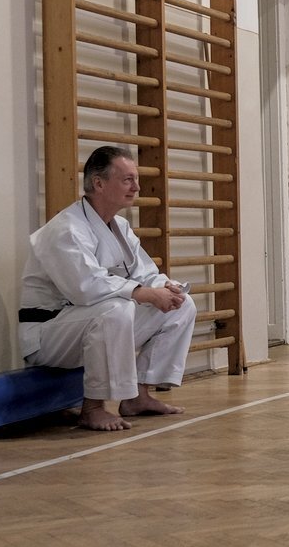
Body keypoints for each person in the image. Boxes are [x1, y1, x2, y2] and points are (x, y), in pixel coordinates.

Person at [19, 146, 197, 431]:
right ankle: (92, 408)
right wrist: (144, 293)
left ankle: (139, 395)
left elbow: (145, 273)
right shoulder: (66, 229)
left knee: (182, 304)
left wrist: (166, 287)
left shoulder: (120, 227)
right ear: (98, 183)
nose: (137, 187)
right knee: (116, 309)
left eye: (136, 179)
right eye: (127, 179)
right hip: (49, 334)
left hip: (87, 325)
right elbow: (85, 287)